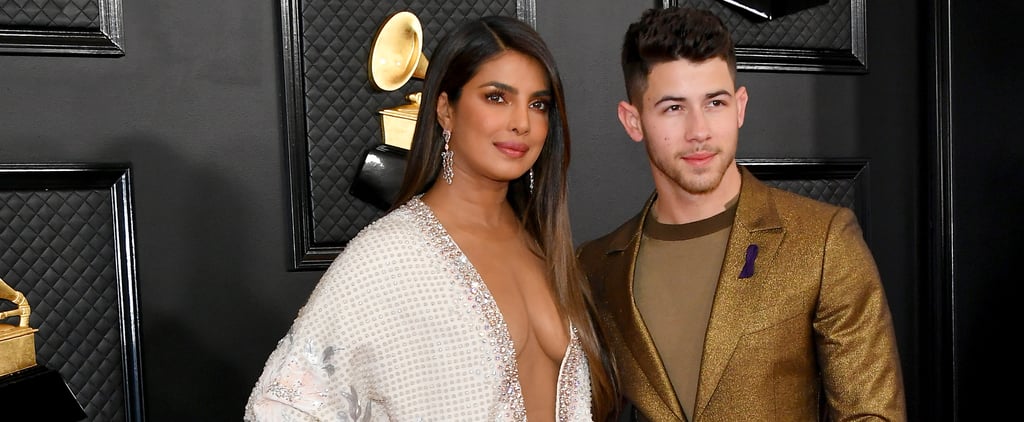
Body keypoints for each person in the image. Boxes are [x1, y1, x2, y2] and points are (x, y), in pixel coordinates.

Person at [245, 15, 615, 421]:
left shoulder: (546, 248)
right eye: (496, 97)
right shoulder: (391, 255)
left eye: (538, 104)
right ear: (445, 110)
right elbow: (281, 410)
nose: (522, 122)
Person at [577, 6, 905, 421]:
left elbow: (871, 414)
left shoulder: (823, 240)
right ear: (633, 120)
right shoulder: (596, 268)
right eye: (673, 108)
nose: (699, 130)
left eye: (714, 102)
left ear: (740, 107)